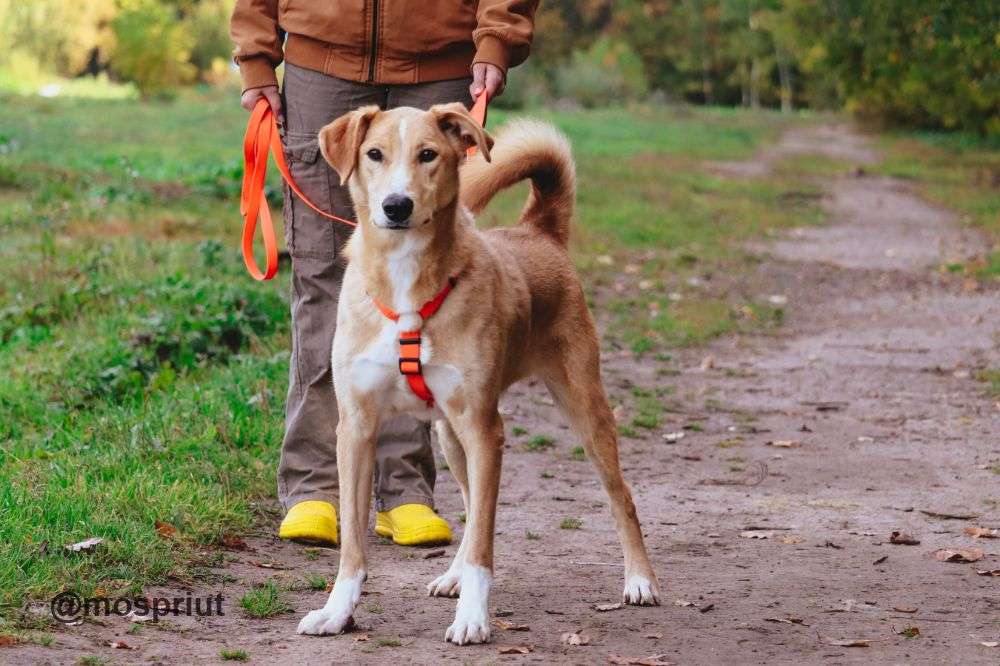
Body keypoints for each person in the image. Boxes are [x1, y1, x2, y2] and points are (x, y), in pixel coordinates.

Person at [230, 0, 538, 547]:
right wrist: (256, 56)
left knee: (435, 283)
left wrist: (496, 36)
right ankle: (314, 486)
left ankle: (405, 490)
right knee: (324, 277)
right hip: (323, 59)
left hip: (441, 54)